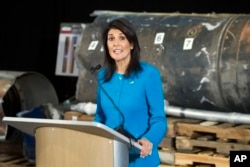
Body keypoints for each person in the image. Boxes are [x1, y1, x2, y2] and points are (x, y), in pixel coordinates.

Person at [93, 17, 168, 167]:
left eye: (122, 38)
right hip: (110, 158)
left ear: (132, 44)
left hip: (141, 160)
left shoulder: (149, 74)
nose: (116, 43)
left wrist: (149, 140)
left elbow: (159, 119)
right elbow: (100, 118)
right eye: (111, 38)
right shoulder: (102, 77)